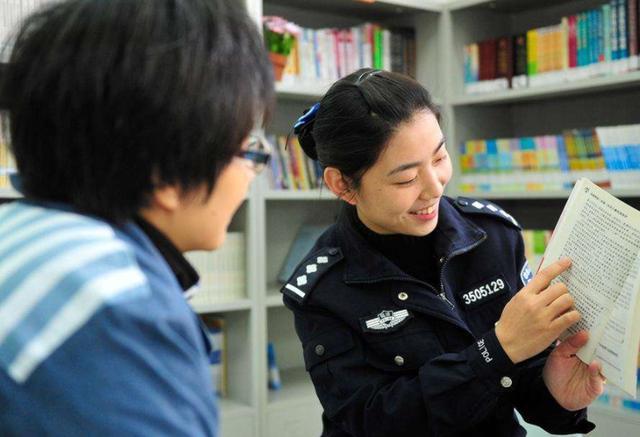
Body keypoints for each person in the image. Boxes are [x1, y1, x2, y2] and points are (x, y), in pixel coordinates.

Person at [282, 68, 605, 437]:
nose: (434, 188)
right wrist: (497, 349)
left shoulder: (494, 236)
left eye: (438, 158)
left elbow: (523, 379)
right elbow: (373, 421)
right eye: (406, 178)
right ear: (342, 184)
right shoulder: (322, 289)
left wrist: (558, 393)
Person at [0, 0, 273, 434]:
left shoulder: (20, 232)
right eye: (246, 152)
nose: (248, 177)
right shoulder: (120, 310)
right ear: (165, 174)